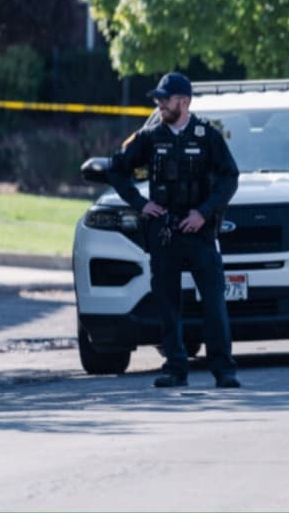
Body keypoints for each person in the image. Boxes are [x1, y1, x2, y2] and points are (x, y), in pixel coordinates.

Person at [106, 71, 242, 388]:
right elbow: (116, 168)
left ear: (184, 102)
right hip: (164, 232)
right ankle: (175, 368)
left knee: (214, 302)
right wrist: (140, 203)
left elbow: (229, 178)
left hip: (200, 232)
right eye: (158, 100)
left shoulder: (206, 136)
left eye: (165, 99)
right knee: (167, 304)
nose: (160, 105)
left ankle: (223, 369)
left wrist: (204, 213)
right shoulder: (150, 137)